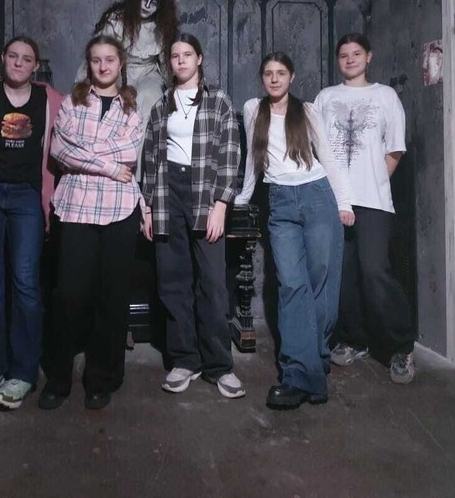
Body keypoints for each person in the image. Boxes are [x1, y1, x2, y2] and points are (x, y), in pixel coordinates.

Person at [235, 52, 354, 409]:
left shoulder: (308, 111)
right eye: (268, 73)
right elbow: (252, 161)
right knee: (291, 284)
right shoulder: (253, 109)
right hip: (281, 202)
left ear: (292, 77)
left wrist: (344, 203)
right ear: (262, 78)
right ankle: (298, 375)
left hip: (317, 196)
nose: (274, 79)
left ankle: (316, 357)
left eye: (281, 73)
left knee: (320, 281)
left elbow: (327, 156)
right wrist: (241, 198)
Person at [38, 35, 143, 411]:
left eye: (109, 60)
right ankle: (58, 379)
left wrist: (85, 153)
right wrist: (109, 166)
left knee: (111, 298)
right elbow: (59, 151)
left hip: (119, 209)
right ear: (89, 63)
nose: (103, 66)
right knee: (68, 295)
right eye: (96, 60)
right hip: (76, 207)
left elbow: (130, 152)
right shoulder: (72, 102)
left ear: (120, 64)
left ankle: (101, 379)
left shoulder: (131, 108)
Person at [0, 36, 62, 409]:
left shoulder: (52, 101)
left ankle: (22, 373)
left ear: (35, 66)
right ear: (3, 58)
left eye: (27, 59)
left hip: (26, 197)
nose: (19, 63)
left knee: (26, 283)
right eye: (13, 56)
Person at [142, 33, 245, 399]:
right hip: (168, 192)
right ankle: (185, 360)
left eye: (188, 54)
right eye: (175, 56)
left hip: (204, 192)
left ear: (199, 59)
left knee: (213, 283)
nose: (181, 60)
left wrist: (221, 204)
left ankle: (219, 365)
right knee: (173, 281)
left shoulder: (218, 101)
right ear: (169, 63)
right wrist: (148, 206)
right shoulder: (161, 105)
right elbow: (151, 157)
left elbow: (229, 154)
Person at [315, 33, 416, 384]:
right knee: (342, 276)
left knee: (374, 271)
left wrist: (371, 182)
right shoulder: (326, 97)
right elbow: (315, 147)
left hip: (373, 201)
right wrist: (338, 192)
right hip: (332, 200)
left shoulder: (385, 96)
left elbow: (395, 149)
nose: (350, 59)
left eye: (356, 53)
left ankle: (401, 347)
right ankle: (353, 340)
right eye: (343, 54)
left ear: (368, 56)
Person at [76, 0, 179, 125]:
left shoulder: (163, 27)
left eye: (153, 2)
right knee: (110, 98)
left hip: (148, 72)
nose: (147, 5)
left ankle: (140, 141)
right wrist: (85, 81)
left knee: (149, 95)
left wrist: (175, 86)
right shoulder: (117, 20)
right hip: (118, 70)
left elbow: (166, 64)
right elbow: (98, 52)